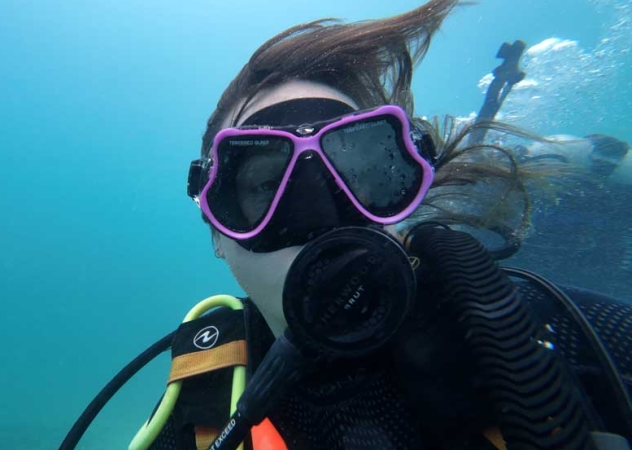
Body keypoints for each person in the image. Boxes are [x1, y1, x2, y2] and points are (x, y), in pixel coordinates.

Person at [60, 1, 632, 449]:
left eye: (360, 168)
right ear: (218, 233)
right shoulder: (199, 417)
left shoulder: (577, 339)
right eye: (264, 186)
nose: (324, 218)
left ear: (408, 190)